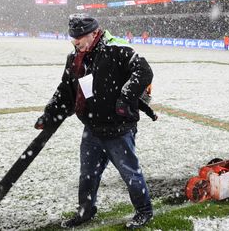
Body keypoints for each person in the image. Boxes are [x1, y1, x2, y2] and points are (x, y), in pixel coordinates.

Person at [34, 13, 154, 229]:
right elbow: (66, 90)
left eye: (79, 37)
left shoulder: (116, 48)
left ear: (94, 33)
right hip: (92, 128)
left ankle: (144, 211)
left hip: (118, 129)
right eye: (73, 37)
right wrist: (50, 113)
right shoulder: (75, 57)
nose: (75, 41)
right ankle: (86, 211)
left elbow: (143, 71)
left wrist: (124, 99)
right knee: (88, 175)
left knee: (130, 174)